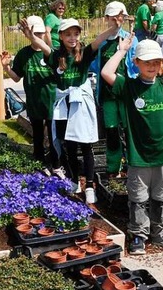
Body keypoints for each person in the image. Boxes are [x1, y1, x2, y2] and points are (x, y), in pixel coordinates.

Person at [101, 28, 163, 255]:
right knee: (138, 197)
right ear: (136, 63)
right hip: (139, 156)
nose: (152, 66)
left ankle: (161, 232)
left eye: (156, 62)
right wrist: (121, 50)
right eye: (147, 62)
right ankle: (138, 234)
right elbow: (107, 73)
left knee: (161, 195)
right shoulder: (129, 87)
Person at [22, 17, 121, 204]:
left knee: (85, 144)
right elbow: (43, 46)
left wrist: (112, 29)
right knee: (69, 145)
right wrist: (31, 37)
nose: (72, 38)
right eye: (67, 34)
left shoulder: (83, 53)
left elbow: (98, 40)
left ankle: (90, 185)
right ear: (60, 36)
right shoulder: (55, 56)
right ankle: (75, 180)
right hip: (63, 105)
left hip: (80, 103)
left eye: (75, 34)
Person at [1, 15, 63, 178]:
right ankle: (40, 164)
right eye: (36, 33)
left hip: (52, 101)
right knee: (37, 134)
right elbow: (16, 77)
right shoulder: (24, 54)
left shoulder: (50, 52)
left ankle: (57, 165)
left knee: (53, 134)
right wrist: (6, 68)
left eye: (41, 33)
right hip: (34, 100)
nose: (39, 37)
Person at [94, 1, 138, 177]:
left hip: (126, 94)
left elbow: (137, 65)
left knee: (129, 131)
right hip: (108, 96)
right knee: (112, 132)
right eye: (113, 16)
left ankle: (133, 165)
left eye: (120, 16)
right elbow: (92, 66)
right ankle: (113, 168)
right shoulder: (101, 43)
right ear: (106, 18)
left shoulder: (131, 39)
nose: (117, 20)